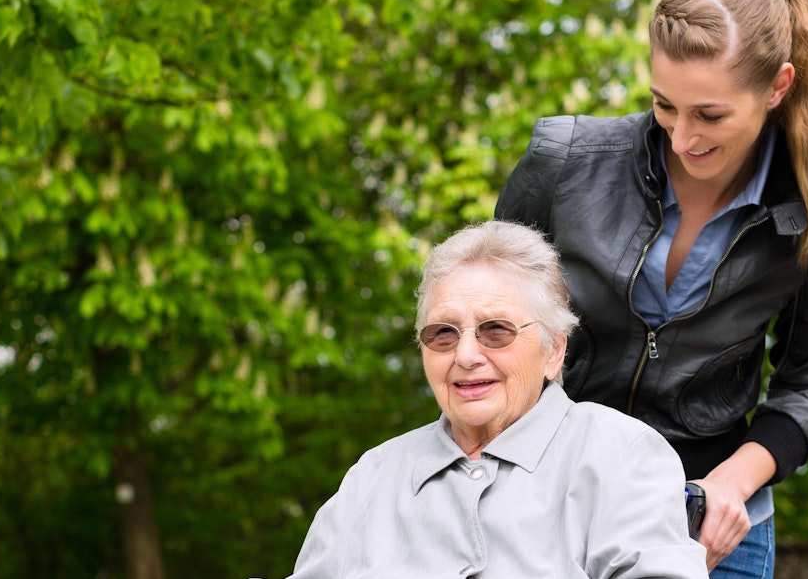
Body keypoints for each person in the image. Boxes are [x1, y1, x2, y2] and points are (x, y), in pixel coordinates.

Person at [494, 0, 808, 579]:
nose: (682, 138)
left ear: (778, 87)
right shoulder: (563, 164)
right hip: (552, 497)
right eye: (664, 105)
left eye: (710, 114)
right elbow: (491, 329)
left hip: (712, 521)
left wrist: (733, 480)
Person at [290, 220, 708, 579]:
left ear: (553, 350)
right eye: (443, 334)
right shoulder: (375, 475)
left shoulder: (620, 454)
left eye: (496, 331)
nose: (466, 356)